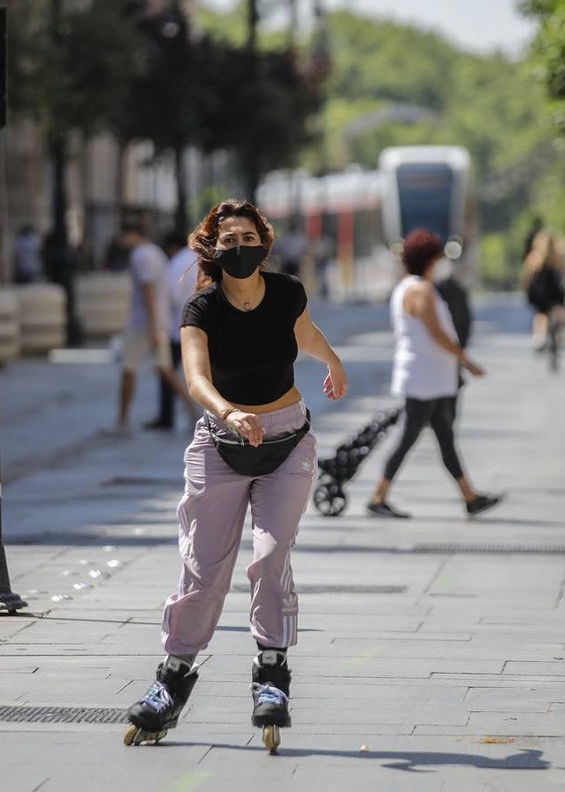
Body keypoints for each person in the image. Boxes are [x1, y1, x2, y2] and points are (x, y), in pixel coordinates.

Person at [125, 199, 348, 745]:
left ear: (264, 245)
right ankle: (173, 679)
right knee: (203, 569)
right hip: (221, 442)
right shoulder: (201, 309)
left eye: (249, 238)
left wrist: (334, 361)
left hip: (287, 441)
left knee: (271, 557)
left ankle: (271, 674)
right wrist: (228, 411)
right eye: (229, 241)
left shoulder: (288, 293)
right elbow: (196, 378)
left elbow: (305, 334)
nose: (240, 248)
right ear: (212, 248)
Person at [366, 229, 502, 520]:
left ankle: (470, 497)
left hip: (430, 377)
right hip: (424, 377)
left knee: (445, 436)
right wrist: (466, 361)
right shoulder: (421, 290)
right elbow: (437, 333)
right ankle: (378, 497)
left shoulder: (407, 287)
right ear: (429, 259)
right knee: (409, 437)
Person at [114, 220, 196, 434]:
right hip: (157, 321)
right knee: (167, 370)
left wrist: (153, 328)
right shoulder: (156, 253)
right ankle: (193, 412)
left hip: (143, 323)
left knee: (128, 369)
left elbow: (148, 291)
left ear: (131, 233)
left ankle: (122, 421)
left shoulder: (141, 255)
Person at [146, 230, 200, 431]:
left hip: (178, 326)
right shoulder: (199, 259)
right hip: (198, 324)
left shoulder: (176, 263)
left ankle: (173, 415)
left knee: (167, 371)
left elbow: (171, 296)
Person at [521, 229, 565, 350]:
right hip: (554, 290)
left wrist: (525, 289)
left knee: (540, 314)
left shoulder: (535, 256)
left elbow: (527, 275)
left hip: (539, 291)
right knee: (560, 309)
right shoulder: (559, 256)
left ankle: (539, 336)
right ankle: (561, 333)